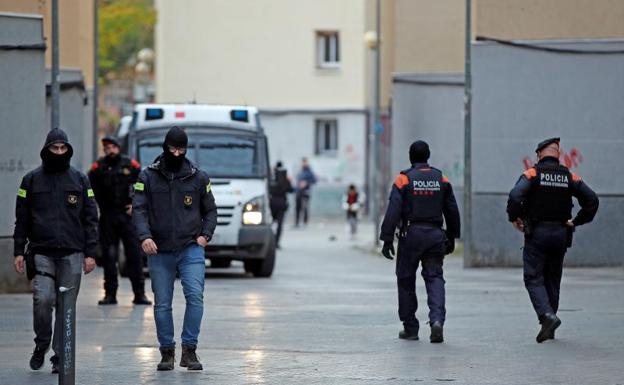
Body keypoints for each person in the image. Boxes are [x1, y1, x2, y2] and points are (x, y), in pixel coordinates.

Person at [13, 128, 98, 373]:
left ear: (68, 150)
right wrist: (19, 250)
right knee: (43, 300)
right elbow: (21, 219)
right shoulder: (30, 180)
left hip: (72, 253)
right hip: (41, 253)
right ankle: (41, 344)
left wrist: (91, 253)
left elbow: (91, 218)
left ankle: (60, 356)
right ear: (46, 150)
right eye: (54, 148)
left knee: (66, 307)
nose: (59, 152)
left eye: (63, 148)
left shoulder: (81, 180)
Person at [132, 126, 217, 371]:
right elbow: (139, 210)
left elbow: (210, 210)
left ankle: (189, 350)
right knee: (162, 303)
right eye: (173, 149)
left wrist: (205, 236)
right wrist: (144, 237)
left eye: (181, 149)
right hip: (158, 250)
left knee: (195, 297)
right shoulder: (147, 176)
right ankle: (166, 352)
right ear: (165, 147)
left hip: (190, 247)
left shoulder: (199, 177)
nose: (177, 154)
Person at [507, 137, 598, 343]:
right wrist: (576, 221)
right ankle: (550, 326)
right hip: (560, 234)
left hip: (537, 233)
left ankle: (547, 316)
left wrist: (515, 218)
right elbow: (592, 200)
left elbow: (514, 196)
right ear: (558, 154)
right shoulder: (569, 176)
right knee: (552, 279)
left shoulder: (532, 173)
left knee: (533, 277)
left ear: (539, 154)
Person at [380, 140, 460, 343]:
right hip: (435, 236)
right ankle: (437, 322)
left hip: (411, 236)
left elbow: (393, 210)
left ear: (410, 156)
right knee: (435, 278)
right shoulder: (441, 178)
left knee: (406, 279)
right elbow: (451, 208)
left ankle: (411, 328)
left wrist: (387, 239)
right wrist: (452, 236)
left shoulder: (403, 179)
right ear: (428, 156)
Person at [89, 135, 151, 305]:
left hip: (127, 216)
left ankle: (139, 294)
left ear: (118, 148)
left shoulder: (131, 165)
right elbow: (89, 188)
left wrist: (135, 204)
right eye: (107, 148)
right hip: (108, 216)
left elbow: (141, 185)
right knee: (109, 256)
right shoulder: (98, 168)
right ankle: (110, 294)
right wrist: (98, 205)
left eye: (113, 147)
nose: (110, 150)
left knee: (134, 255)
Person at [269, 161, 293, 248]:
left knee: (269, 224)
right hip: (281, 204)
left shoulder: (271, 179)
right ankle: (276, 242)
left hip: (272, 204)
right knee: (279, 225)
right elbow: (291, 190)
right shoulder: (285, 179)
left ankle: (271, 241)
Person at [294, 158, 317, 227]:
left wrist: (306, 183)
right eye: (302, 162)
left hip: (306, 192)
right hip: (299, 191)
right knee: (298, 207)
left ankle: (304, 222)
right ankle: (297, 222)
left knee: (305, 207)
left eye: (305, 162)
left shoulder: (309, 172)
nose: (303, 164)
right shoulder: (300, 171)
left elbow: (314, 180)